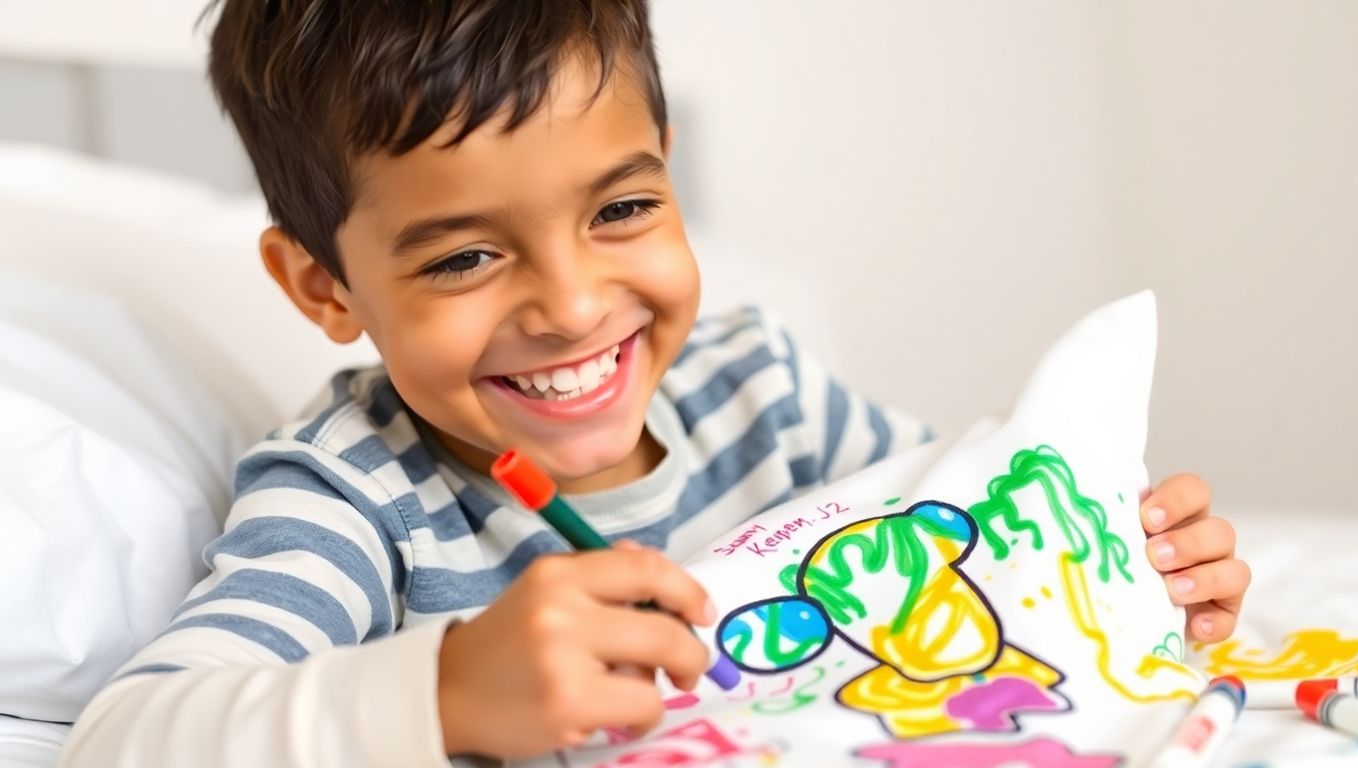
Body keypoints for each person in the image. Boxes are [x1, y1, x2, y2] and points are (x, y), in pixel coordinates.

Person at [61, 1, 1250, 764]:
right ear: (323, 286)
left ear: (668, 174)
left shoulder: (763, 393)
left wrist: (1128, 563)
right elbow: (125, 738)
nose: (574, 307)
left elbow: (981, 539)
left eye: (622, 209)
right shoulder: (356, 497)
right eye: (465, 256)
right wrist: (444, 690)